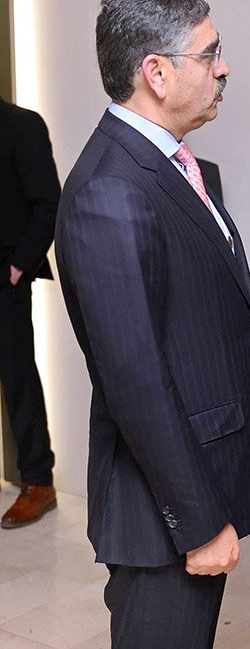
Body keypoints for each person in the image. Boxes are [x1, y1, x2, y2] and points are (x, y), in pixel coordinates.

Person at [55, 0, 250, 649]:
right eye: (210, 53)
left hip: (194, 488)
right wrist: (201, 520)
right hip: (165, 516)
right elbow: (135, 380)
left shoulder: (174, 164)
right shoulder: (110, 192)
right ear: (156, 72)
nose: (225, 67)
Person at [0, 97, 60, 528]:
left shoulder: (21, 125)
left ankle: (39, 482)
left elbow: (47, 201)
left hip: (5, 279)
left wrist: (18, 267)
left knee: (18, 378)